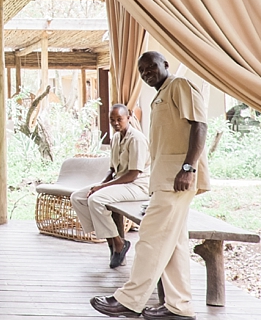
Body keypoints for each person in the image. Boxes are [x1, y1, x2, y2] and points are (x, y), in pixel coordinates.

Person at [91, 52, 209, 320]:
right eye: (141, 70)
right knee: (174, 245)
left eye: (151, 67)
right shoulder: (160, 96)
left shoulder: (179, 85)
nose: (146, 74)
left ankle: (129, 300)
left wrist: (189, 168)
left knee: (151, 238)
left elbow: (200, 125)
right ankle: (179, 306)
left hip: (177, 179)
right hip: (165, 180)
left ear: (165, 65)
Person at [70, 104, 150, 269]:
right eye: (112, 120)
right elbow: (113, 169)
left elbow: (133, 174)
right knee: (77, 197)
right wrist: (101, 184)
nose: (115, 123)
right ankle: (112, 239)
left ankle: (118, 245)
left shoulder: (136, 139)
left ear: (128, 118)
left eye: (119, 119)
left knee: (96, 200)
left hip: (137, 185)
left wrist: (101, 189)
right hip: (121, 182)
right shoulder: (115, 138)